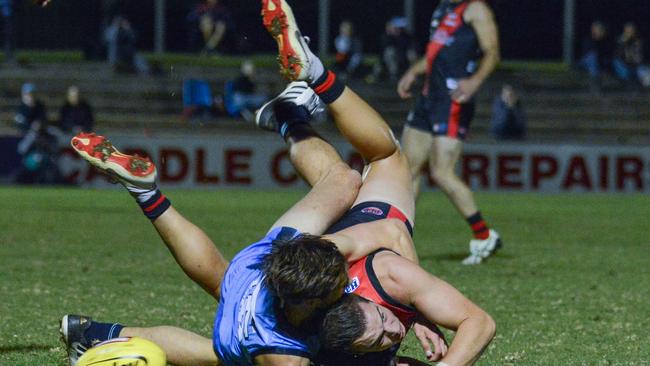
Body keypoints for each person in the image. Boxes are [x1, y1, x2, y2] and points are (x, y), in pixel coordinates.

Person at [61, 1, 495, 364]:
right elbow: (392, 236)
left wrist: (415, 312)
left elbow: (385, 236)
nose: (392, 329)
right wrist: (417, 308)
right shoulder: (308, 339)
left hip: (268, 265)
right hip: (264, 300)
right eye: (387, 329)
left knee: (343, 178)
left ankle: (291, 108)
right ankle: (150, 198)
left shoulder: (320, 263)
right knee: (384, 158)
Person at [397, 0, 502, 265]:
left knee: (442, 172)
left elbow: (492, 52)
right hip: (428, 98)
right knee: (406, 170)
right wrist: (413, 71)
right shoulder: (443, 9)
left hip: (453, 100)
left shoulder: (475, 8)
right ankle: (397, 237)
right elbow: (436, 52)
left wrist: (475, 81)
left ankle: (484, 235)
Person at [374, 17, 418, 82]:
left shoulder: (406, 36)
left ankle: (413, 76)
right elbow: (383, 51)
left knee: (412, 54)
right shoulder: (386, 36)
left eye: (399, 28)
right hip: (386, 60)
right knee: (389, 52)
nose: (397, 29)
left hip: (402, 57)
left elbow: (410, 47)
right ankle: (393, 75)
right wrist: (391, 34)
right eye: (395, 28)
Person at [612, 22, 648, 88]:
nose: (630, 32)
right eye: (628, 30)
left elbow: (641, 57)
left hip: (637, 66)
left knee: (647, 79)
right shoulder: (619, 41)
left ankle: (639, 84)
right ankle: (628, 82)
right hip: (624, 65)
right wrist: (623, 43)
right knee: (617, 64)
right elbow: (617, 55)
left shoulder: (639, 41)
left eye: (632, 30)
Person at [578, 21, 610, 93]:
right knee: (592, 57)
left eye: (600, 29)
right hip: (585, 63)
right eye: (595, 29)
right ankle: (595, 80)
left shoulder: (605, 41)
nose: (597, 31)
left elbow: (606, 55)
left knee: (602, 60)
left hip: (599, 63)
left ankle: (596, 80)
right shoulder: (588, 39)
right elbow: (588, 53)